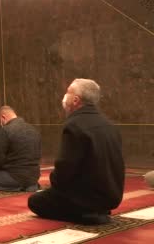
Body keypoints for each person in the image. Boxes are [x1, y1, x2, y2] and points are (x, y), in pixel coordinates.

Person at [28, 79, 125, 225]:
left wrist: (54, 185)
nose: (64, 96)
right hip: (111, 197)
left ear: (75, 100)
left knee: (35, 201)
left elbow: (64, 169)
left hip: (86, 198)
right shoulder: (108, 124)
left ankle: (86, 214)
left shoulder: (74, 125)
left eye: (67, 92)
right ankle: (95, 211)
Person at [0, 106, 41, 191]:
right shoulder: (33, 129)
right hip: (34, 175)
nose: (0, 123)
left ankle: (18, 187)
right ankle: (29, 185)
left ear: (3, 117)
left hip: (14, 175)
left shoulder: (6, 130)